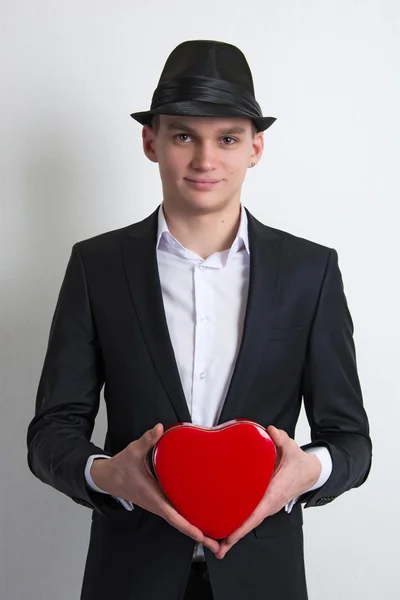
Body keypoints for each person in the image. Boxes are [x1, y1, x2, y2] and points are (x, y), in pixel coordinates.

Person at [26, 39, 372, 600]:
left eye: (227, 138)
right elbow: (51, 431)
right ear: (150, 141)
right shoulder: (97, 267)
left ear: (256, 147)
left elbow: (351, 439)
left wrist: (308, 471)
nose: (205, 160)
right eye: (184, 135)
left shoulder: (310, 271)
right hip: (129, 577)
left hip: (264, 579)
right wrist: (106, 474)